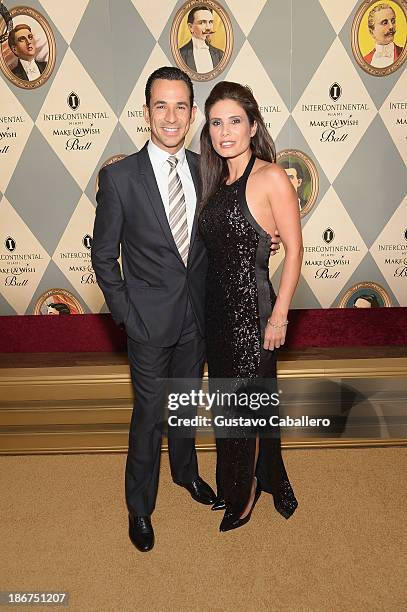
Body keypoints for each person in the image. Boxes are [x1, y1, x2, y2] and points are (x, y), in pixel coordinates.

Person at [91, 67, 281, 552]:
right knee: (150, 415)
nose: (171, 116)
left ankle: (186, 475)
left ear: (193, 113)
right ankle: (139, 507)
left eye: (181, 106)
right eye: (161, 105)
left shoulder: (208, 168)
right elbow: (103, 258)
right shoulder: (118, 179)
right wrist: (127, 318)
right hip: (147, 324)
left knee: (184, 409)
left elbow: (233, 229)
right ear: (147, 111)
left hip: (199, 319)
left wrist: (268, 239)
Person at [199, 81, 303, 531]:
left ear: (253, 125)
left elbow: (295, 251)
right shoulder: (214, 179)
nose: (225, 132)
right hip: (216, 313)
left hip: (253, 314)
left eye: (234, 121)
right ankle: (238, 483)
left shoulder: (271, 176)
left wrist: (279, 315)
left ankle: (244, 496)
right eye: (216, 122)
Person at [179, 5, 223, 73]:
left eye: (210, 22)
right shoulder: (181, 55)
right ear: (190, 27)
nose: (208, 28)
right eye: (202, 22)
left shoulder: (220, 54)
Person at [363, 3, 404, 67]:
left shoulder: (404, 54)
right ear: (372, 32)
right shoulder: (365, 60)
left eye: (393, 21)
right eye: (385, 23)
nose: (391, 26)